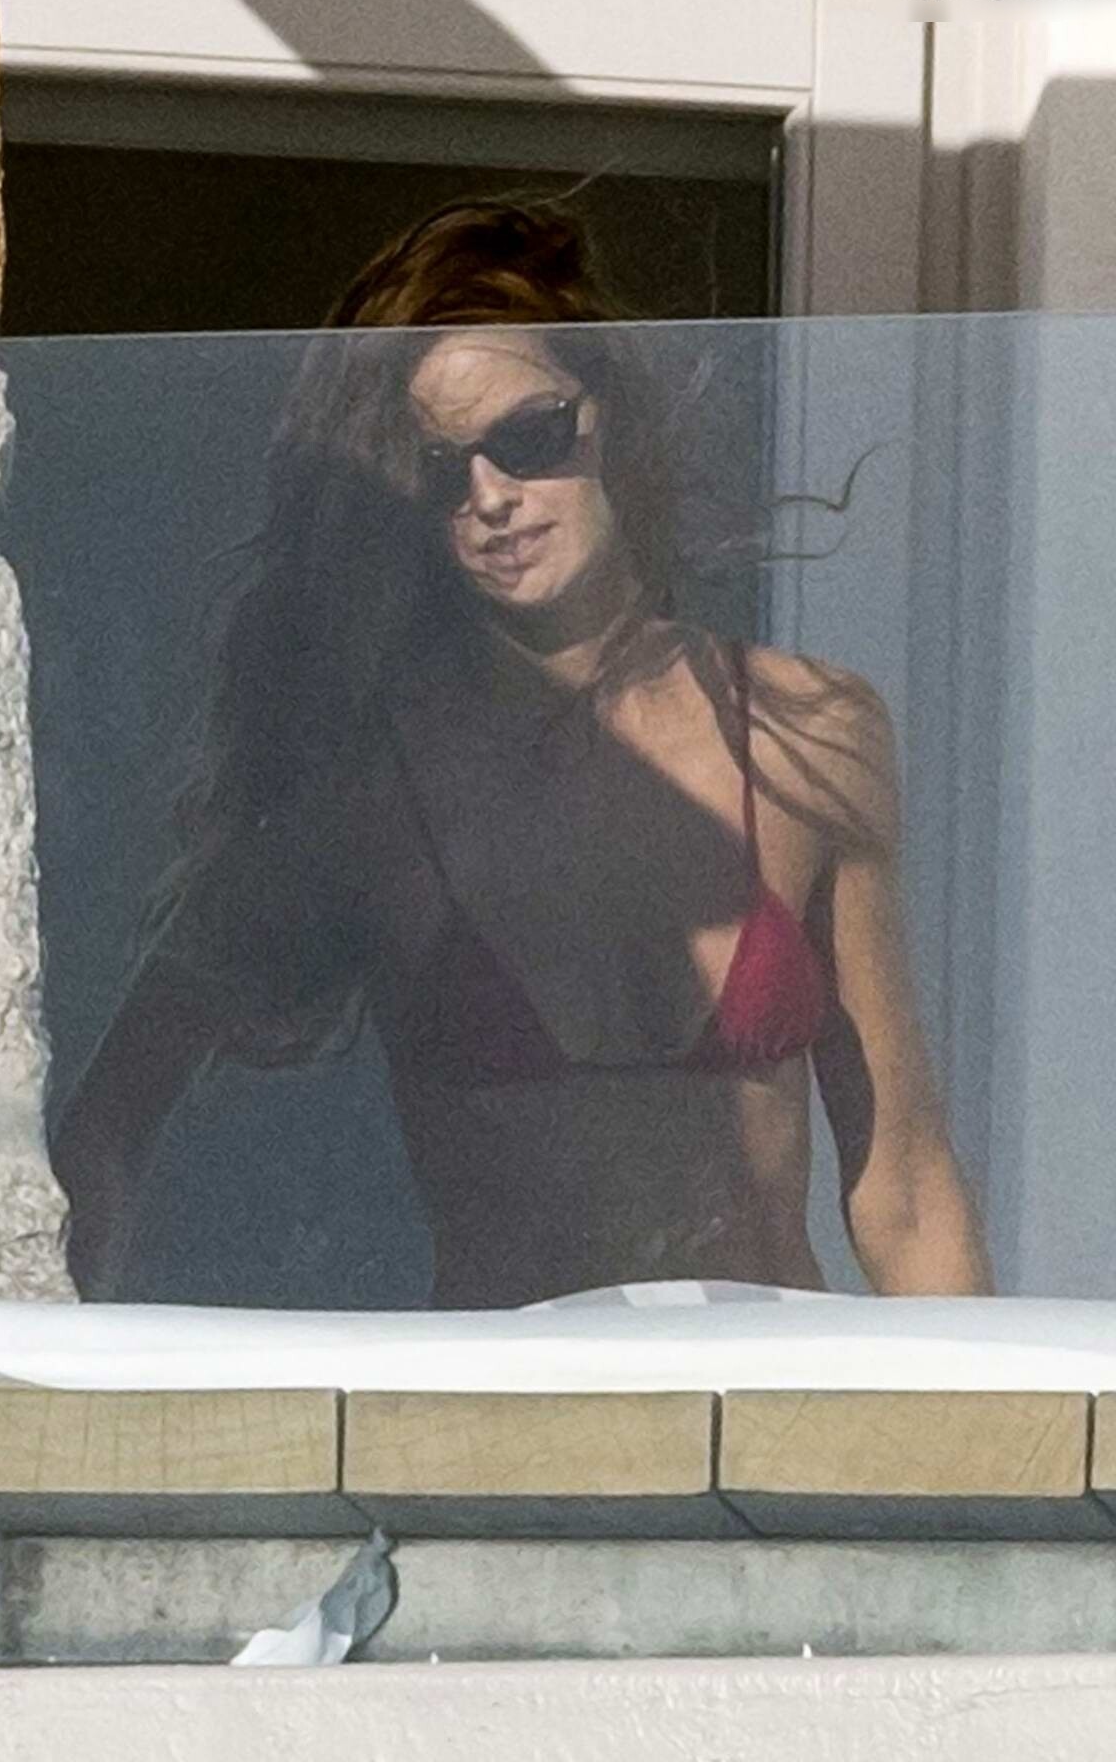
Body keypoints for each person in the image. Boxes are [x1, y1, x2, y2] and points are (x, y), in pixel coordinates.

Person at [51, 199, 993, 1306]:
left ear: (609, 419)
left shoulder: (808, 728)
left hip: (769, 1398)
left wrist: (984, 1422)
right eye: (439, 472)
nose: (491, 497)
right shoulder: (370, 783)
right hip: (504, 1408)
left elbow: (904, 1187)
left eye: (530, 437)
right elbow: (106, 1128)